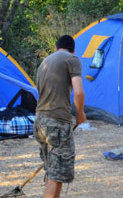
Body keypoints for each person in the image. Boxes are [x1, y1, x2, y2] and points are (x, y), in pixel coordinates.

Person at [34, 35, 86, 198]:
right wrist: (80, 114)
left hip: (40, 121)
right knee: (57, 177)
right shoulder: (72, 59)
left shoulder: (45, 62)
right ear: (73, 50)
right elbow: (78, 91)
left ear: (56, 48)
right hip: (57, 123)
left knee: (53, 172)